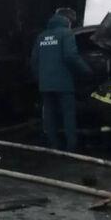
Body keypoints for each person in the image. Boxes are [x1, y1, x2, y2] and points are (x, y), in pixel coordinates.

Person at [31, 8, 92, 151]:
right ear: (68, 20)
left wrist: (40, 78)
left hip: (45, 83)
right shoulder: (66, 33)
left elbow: (34, 61)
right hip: (63, 82)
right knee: (68, 114)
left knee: (50, 114)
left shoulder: (41, 36)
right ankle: (71, 146)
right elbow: (70, 56)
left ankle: (54, 145)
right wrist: (87, 71)